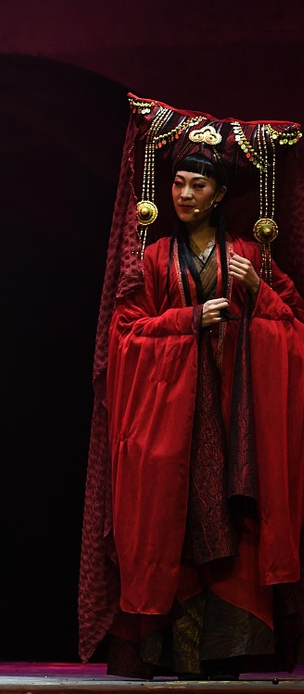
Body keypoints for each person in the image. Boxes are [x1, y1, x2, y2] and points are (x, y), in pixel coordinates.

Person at [79, 93, 304, 680]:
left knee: (236, 527)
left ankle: (228, 654)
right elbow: (124, 337)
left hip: (234, 418)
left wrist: (257, 291)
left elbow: (294, 330)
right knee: (168, 531)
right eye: (177, 183)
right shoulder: (154, 258)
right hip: (169, 420)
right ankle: (169, 653)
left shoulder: (250, 255)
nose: (183, 194)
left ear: (220, 194)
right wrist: (187, 320)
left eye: (197, 186)